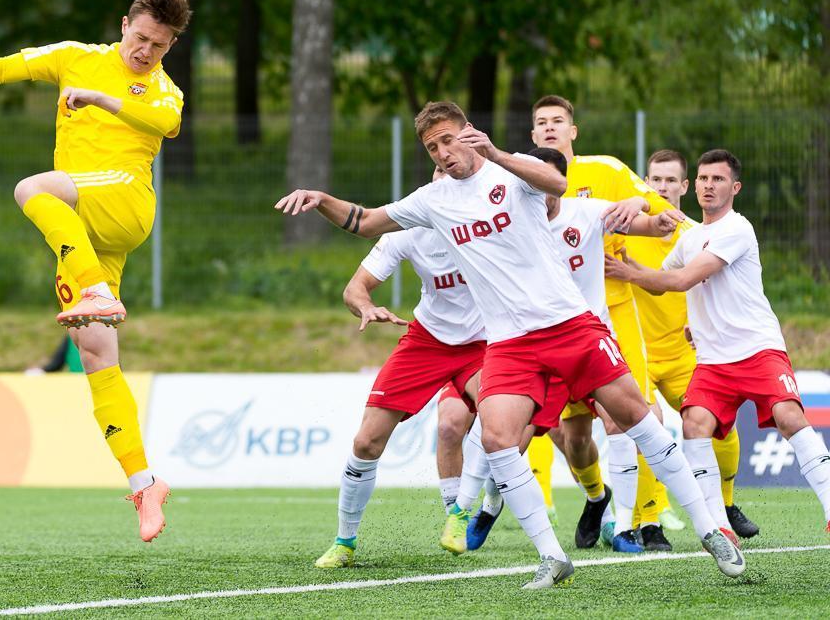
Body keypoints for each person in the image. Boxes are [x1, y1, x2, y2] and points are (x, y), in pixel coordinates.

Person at [276, 101, 743, 589]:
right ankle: (551, 556)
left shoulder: (512, 169)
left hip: (568, 324)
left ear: (468, 133)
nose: (442, 153)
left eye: (448, 140)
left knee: (634, 418)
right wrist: (320, 198)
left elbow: (557, 183)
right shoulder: (431, 200)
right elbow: (367, 221)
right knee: (497, 439)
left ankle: (710, 530)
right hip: (508, 341)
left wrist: (496, 154)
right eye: (432, 147)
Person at [0, 0, 190, 542]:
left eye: (159, 46)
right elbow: (8, 67)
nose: (146, 52)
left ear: (170, 47)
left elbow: (161, 123)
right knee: (95, 354)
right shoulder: (75, 57)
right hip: (84, 230)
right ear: (123, 25)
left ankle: (96, 290)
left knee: (31, 188)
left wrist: (100, 99)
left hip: (124, 202)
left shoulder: (166, 90)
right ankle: (144, 484)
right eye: (141, 38)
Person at [607, 149, 830, 535]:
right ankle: (719, 526)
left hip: (757, 349)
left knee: (789, 416)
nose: (709, 186)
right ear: (694, 186)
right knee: (694, 424)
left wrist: (629, 274)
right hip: (713, 360)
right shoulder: (690, 239)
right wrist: (628, 264)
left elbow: (681, 281)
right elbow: (660, 282)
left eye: (718, 179)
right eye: (704, 179)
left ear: (735, 187)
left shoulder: (737, 229)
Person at [310, 167, 492, 568]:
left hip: (486, 340)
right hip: (427, 340)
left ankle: (468, 511)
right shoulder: (408, 224)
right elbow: (355, 288)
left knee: (500, 427)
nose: (446, 174)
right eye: (438, 167)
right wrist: (365, 306)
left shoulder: (490, 219)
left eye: (454, 168)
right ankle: (344, 542)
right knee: (366, 442)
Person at [529, 95, 681, 543]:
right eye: (542, 122)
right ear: (533, 134)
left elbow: (659, 213)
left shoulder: (606, 171)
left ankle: (643, 521)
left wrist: (642, 206)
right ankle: (597, 497)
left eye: (559, 120)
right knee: (573, 437)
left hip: (612, 311)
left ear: (573, 130)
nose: (551, 127)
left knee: (637, 415)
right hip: (556, 320)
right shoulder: (520, 180)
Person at [623, 149, 759, 541]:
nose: (662, 187)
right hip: (638, 352)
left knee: (721, 426)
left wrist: (697, 324)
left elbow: (703, 288)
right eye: (655, 180)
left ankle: (727, 503)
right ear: (645, 184)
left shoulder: (699, 235)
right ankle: (648, 521)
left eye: (671, 180)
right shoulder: (627, 231)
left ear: (685, 186)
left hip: (684, 352)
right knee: (647, 426)